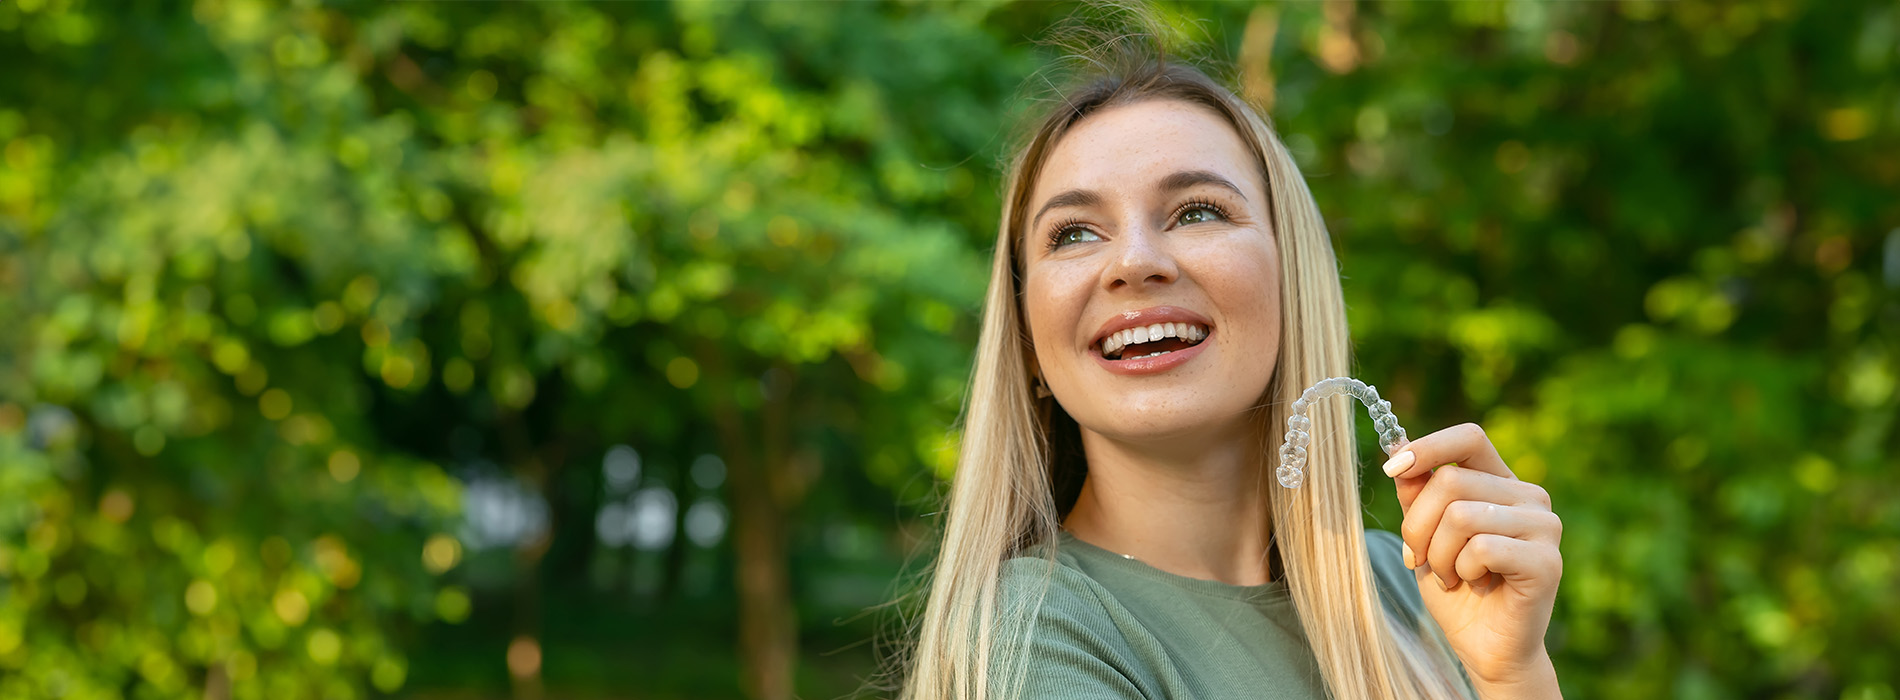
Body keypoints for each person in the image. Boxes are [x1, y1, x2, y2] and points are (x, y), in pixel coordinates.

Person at [895, 13, 1564, 700]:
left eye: (1197, 212)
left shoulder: (1411, 583)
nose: (1133, 262)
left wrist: (1512, 673)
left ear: (1291, 277)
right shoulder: (1032, 636)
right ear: (1029, 343)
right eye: (1072, 233)